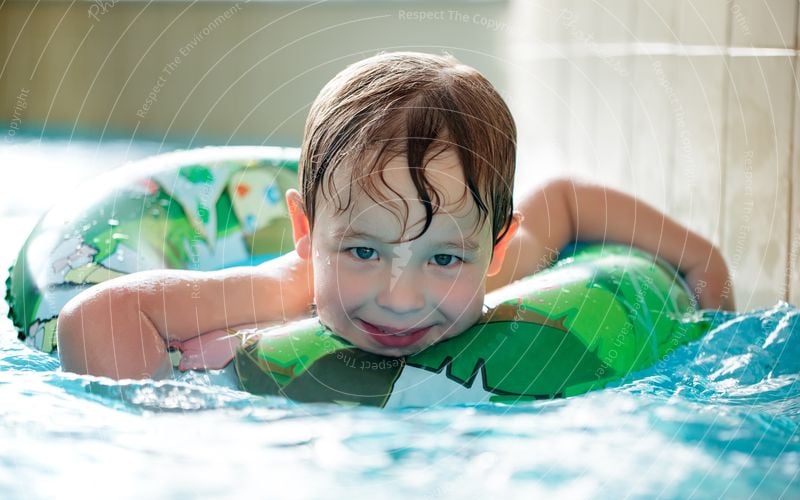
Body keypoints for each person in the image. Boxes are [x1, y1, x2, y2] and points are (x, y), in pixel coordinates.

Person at [57, 52, 734, 380]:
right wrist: (168, 420)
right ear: (305, 233)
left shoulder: (499, 278)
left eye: (442, 258)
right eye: (362, 252)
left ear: (496, 250)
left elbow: (562, 201)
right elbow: (94, 317)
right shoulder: (280, 293)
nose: (399, 298)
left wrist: (703, 264)